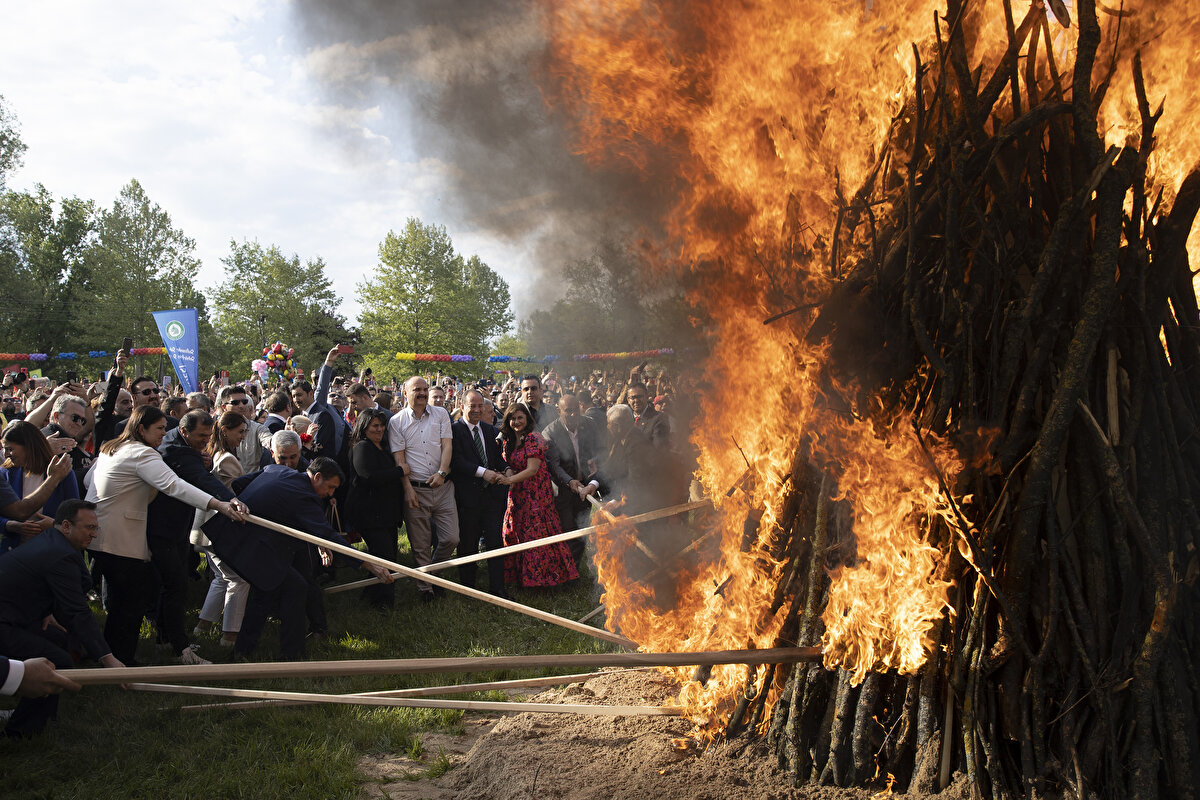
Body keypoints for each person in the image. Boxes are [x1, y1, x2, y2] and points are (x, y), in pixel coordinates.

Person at [85, 405, 247, 666]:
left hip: (101, 534)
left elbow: (88, 482)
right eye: (160, 428)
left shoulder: (111, 448)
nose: (165, 432)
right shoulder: (142, 454)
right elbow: (174, 485)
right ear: (141, 429)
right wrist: (220, 505)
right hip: (119, 539)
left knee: (124, 602)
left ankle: (114, 657)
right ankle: (120, 659)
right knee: (130, 604)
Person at [202, 458, 393, 660]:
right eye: (330, 487)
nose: (330, 494)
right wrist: (370, 565)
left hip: (234, 536)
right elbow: (328, 535)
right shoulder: (304, 495)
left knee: (265, 593)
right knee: (295, 587)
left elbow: (240, 484)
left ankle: (243, 652)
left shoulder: (277, 470)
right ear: (317, 477)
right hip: (247, 545)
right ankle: (291, 654)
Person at [0, 500, 123, 736]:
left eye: (96, 528)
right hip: (5, 622)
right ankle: (22, 731)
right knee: (60, 661)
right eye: (89, 528)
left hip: (15, 614)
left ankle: (44, 714)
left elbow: (30, 582)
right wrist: (108, 659)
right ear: (66, 525)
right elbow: (77, 611)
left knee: (58, 639)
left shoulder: (52, 542)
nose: (94, 534)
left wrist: (46, 612)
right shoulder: (60, 555)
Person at [388, 376, 458, 601]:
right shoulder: (396, 422)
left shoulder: (441, 414)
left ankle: (433, 575)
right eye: (417, 389)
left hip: (443, 486)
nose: (422, 393)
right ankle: (426, 590)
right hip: (416, 489)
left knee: (451, 539)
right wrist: (407, 488)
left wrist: (443, 472)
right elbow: (399, 460)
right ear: (405, 392)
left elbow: (447, 445)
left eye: (425, 389)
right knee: (420, 545)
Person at [497, 403, 578, 588]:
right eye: (512, 418)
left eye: (520, 418)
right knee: (518, 532)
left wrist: (509, 481)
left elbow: (532, 470)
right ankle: (520, 577)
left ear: (527, 419)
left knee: (536, 535)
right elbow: (509, 465)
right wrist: (507, 474)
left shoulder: (534, 438)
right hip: (517, 494)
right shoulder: (509, 441)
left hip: (536, 495)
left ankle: (545, 580)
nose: (516, 422)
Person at [191, 411, 249, 647]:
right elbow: (239, 494)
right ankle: (230, 636)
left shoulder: (213, 454)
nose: (243, 437)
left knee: (221, 577)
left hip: (207, 528)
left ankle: (203, 626)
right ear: (225, 431)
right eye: (240, 432)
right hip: (218, 528)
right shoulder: (227, 460)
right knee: (238, 579)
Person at [449, 390, 509, 597]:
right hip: (468, 498)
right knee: (468, 543)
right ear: (462, 405)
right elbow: (456, 461)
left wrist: (507, 469)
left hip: (492, 498)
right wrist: (483, 473)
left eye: (479, 406)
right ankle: (468, 588)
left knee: (495, 542)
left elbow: (496, 458)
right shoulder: (454, 430)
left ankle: (497, 588)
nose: (475, 410)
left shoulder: (490, 430)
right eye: (471, 406)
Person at [347, 409, 405, 610]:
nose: (380, 429)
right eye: (375, 426)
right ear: (364, 428)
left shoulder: (384, 447)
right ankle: (384, 602)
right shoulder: (362, 447)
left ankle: (370, 591)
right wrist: (399, 471)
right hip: (369, 513)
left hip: (387, 513)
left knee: (386, 553)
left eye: (382, 425)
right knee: (384, 556)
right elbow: (367, 477)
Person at [0, 421, 80, 555]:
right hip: (14, 553)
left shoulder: (61, 471)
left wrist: (55, 525)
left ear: (28, 447)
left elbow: (76, 516)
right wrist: (11, 525)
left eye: (10, 449)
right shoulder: (6, 473)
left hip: (52, 553)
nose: (6, 455)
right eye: (4, 449)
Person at [542, 394, 601, 565]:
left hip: (585, 486)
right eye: (568, 411)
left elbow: (600, 449)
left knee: (582, 527)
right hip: (562, 489)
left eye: (576, 410)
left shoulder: (589, 425)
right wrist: (570, 482)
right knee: (567, 528)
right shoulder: (550, 432)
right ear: (559, 411)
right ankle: (565, 567)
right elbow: (554, 466)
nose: (574, 415)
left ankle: (572, 568)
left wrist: (595, 461)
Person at [41, 393, 94, 494]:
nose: (79, 424)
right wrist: (91, 468)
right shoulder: (54, 438)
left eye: (82, 420)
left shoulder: (66, 437)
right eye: (75, 418)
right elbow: (64, 479)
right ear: (56, 416)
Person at [217, 385, 272, 474]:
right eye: (235, 403)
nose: (241, 406)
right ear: (224, 407)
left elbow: (268, 440)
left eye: (244, 401)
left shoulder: (257, 428)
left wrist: (278, 442)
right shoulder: (214, 428)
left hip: (249, 484)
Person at [626, 382, 671, 450]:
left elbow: (659, 450)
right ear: (628, 400)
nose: (636, 400)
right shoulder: (625, 419)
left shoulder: (659, 419)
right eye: (633, 397)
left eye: (639, 396)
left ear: (647, 396)